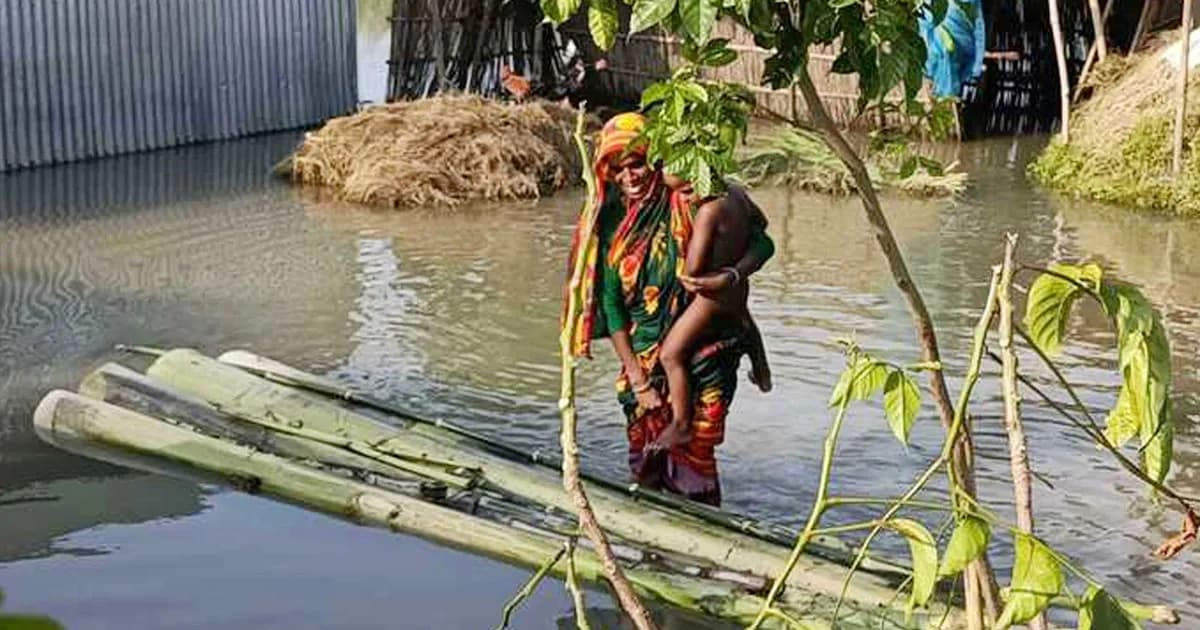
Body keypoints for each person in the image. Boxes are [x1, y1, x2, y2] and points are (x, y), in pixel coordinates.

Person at [563, 113, 774, 505]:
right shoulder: (607, 223)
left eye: (638, 163)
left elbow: (760, 242)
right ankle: (647, 547)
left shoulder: (691, 199)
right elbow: (610, 305)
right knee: (646, 463)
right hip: (642, 359)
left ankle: (707, 550)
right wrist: (638, 380)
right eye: (619, 168)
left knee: (697, 456)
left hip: (708, 350)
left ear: (657, 160)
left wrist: (731, 275)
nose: (631, 177)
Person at [649, 174, 772, 453]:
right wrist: (733, 256)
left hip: (711, 296)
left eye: (689, 189)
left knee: (670, 354)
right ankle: (762, 372)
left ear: (703, 175)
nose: (686, 198)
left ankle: (680, 424)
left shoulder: (708, 210)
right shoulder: (737, 192)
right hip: (736, 289)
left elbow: (693, 268)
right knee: (745, 320)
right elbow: (762, 224)